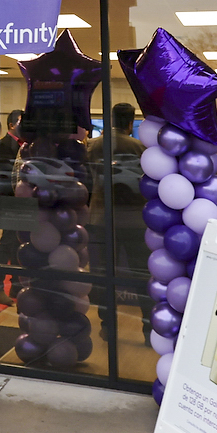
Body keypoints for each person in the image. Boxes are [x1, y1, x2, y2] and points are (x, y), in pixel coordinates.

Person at [86, 102, 149, 338]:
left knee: (103, 275)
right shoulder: (139, 147)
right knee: (141, 273)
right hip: (134, 218)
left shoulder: (93, 145)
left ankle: (107, 327)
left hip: (102, 218)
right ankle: (148, 327)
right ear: (131, 122)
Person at [0, 110, 24, 303]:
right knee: (7, 244)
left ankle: (17, 285)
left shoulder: (26, 145)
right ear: (12, 124)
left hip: (24, 201)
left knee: (20, 245)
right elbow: (3, 175)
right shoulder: (4, 145)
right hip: (10, 200)